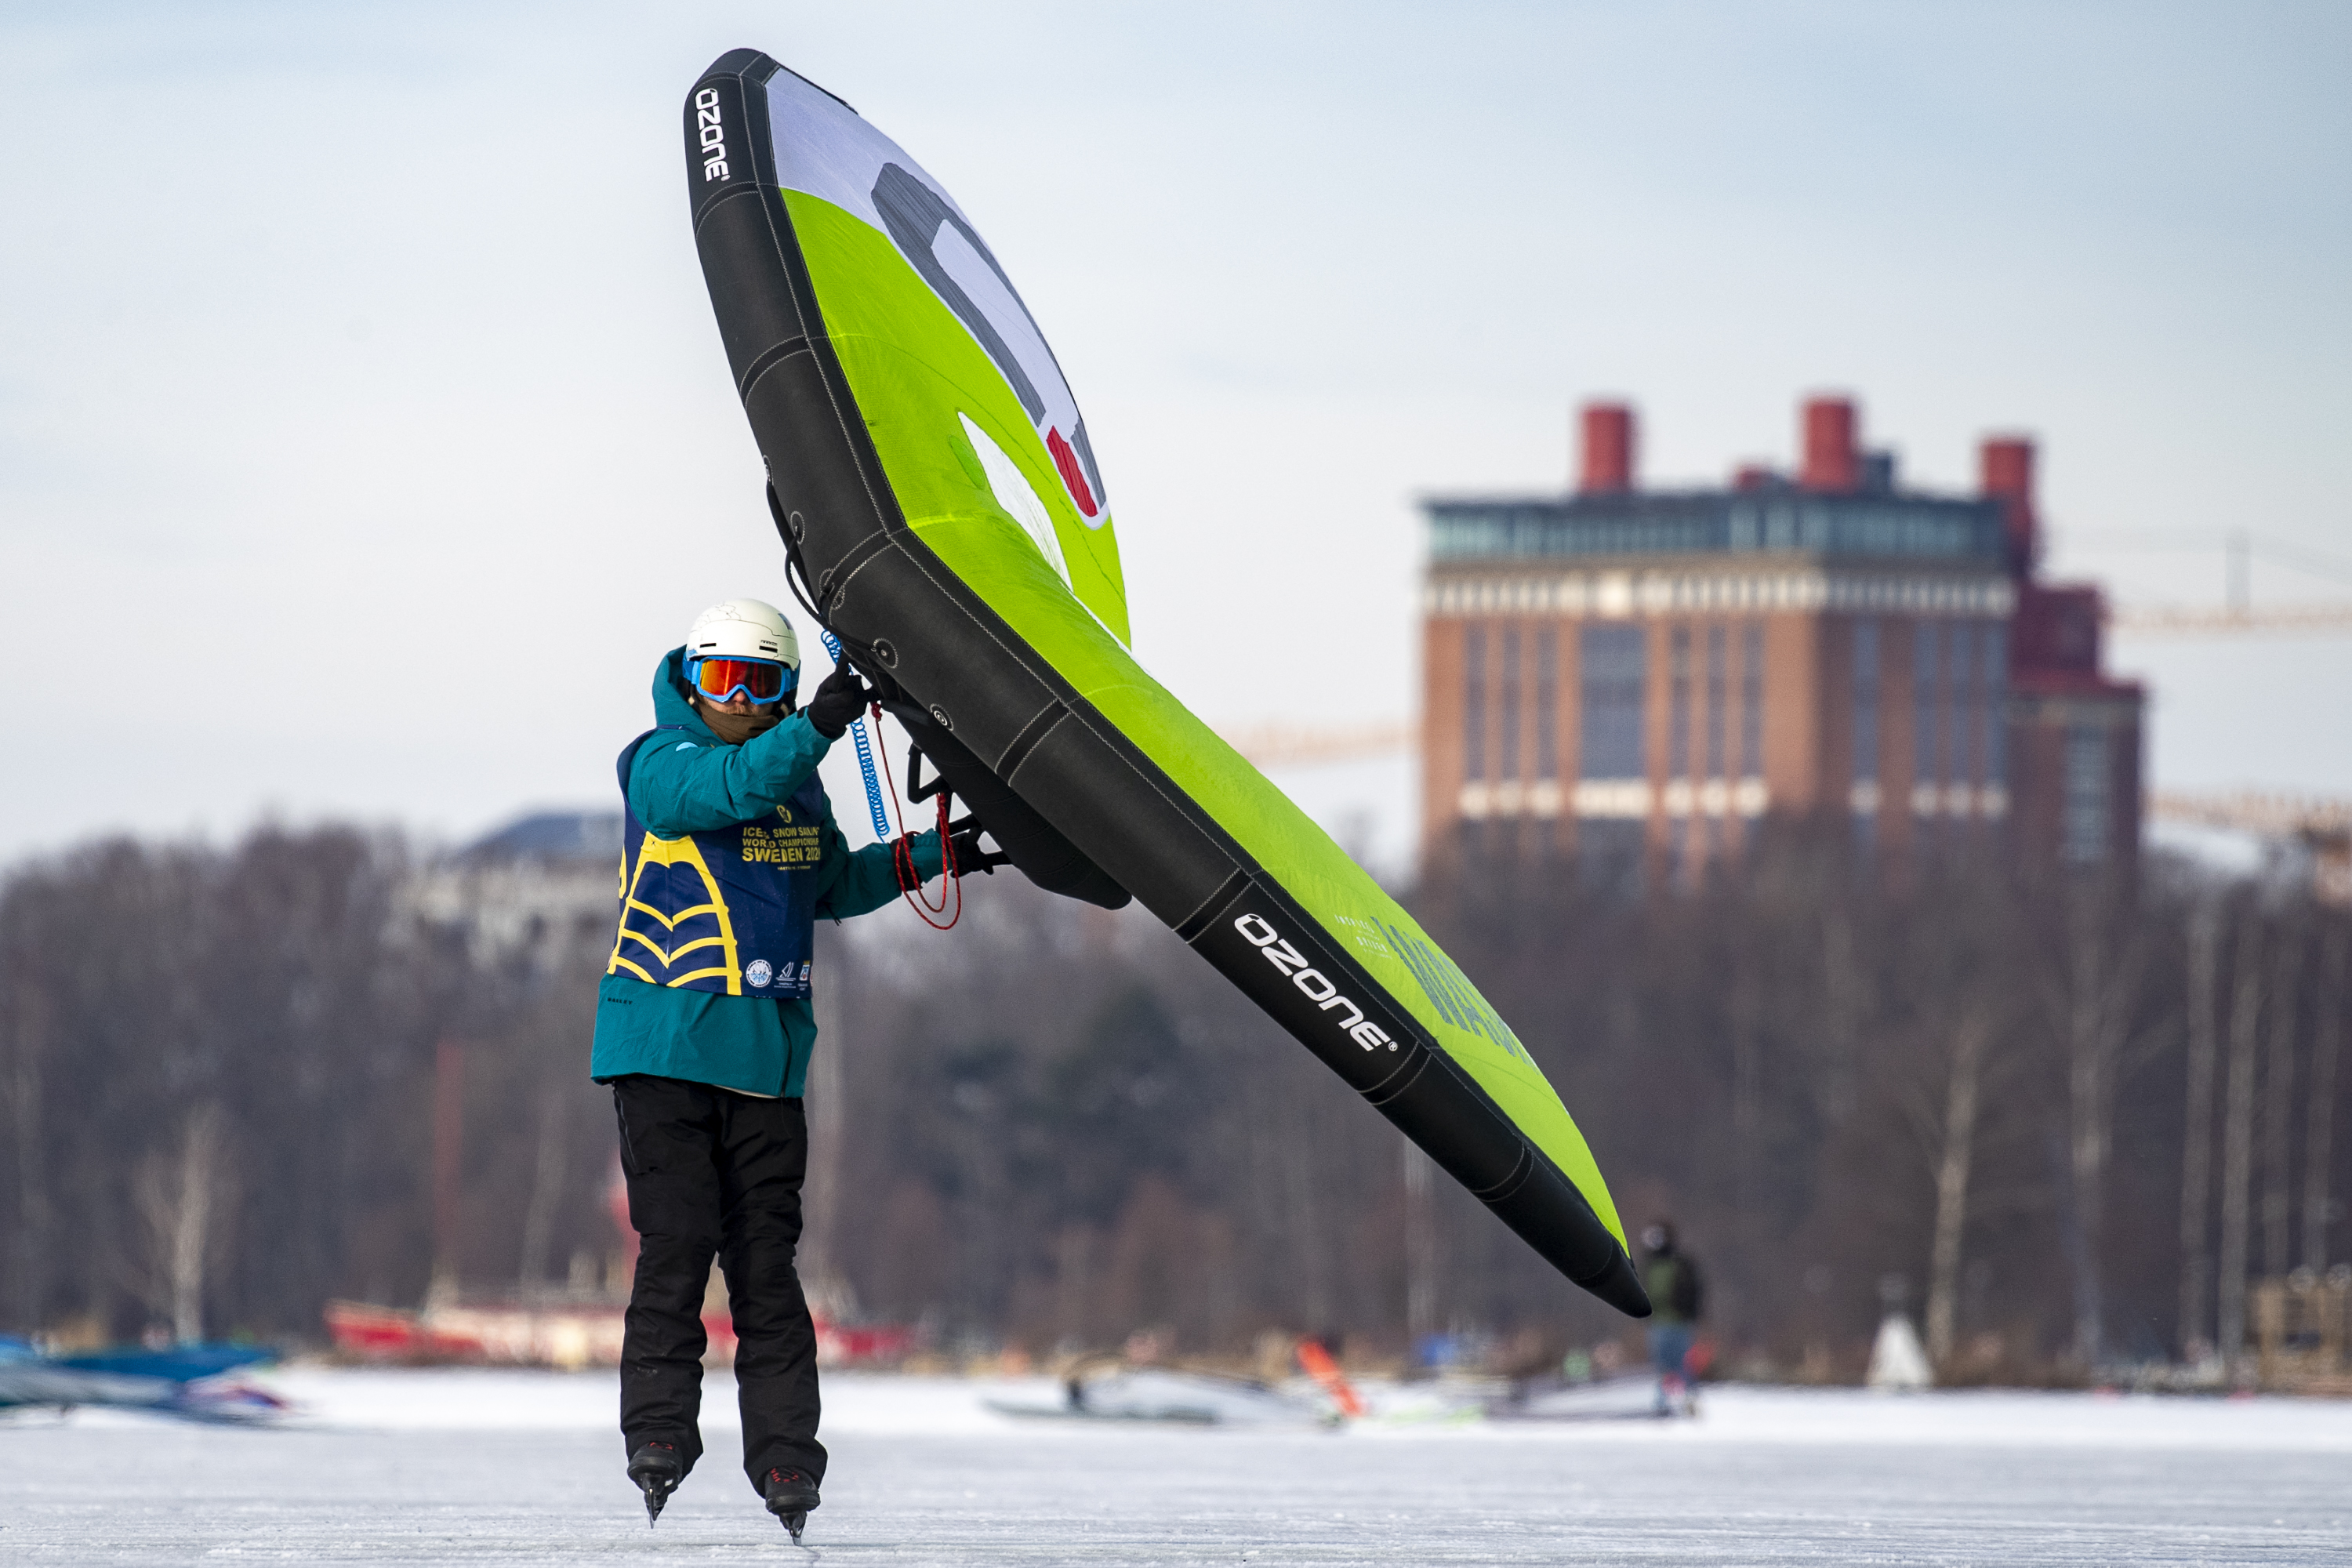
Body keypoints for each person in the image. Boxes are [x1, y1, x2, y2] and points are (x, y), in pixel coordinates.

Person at [591, 598, 970, 1539]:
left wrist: (945, 851)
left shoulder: (798, 782)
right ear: (691, 682)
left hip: (766, 1066)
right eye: (722, 679)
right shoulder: (660, 761)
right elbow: (723, 790)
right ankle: (660, 1434)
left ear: (786, 690)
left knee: (767, 1269)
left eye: (761, 684)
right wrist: (818, 727)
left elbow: (831, 883)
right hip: (667, 1052)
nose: (739, 700)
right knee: (679, 1244)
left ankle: (786, 1456)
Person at [1639, 1220, 1704, 1416]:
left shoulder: (1681, 1263)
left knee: (1683, 1364)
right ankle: (1662, 1403)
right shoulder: (1649, 1264)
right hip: (1657, 1322)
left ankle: (1690, 1400)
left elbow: (1694, 1290)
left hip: (1679, 1321)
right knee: (1662, 1366)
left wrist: (1690, 1313)